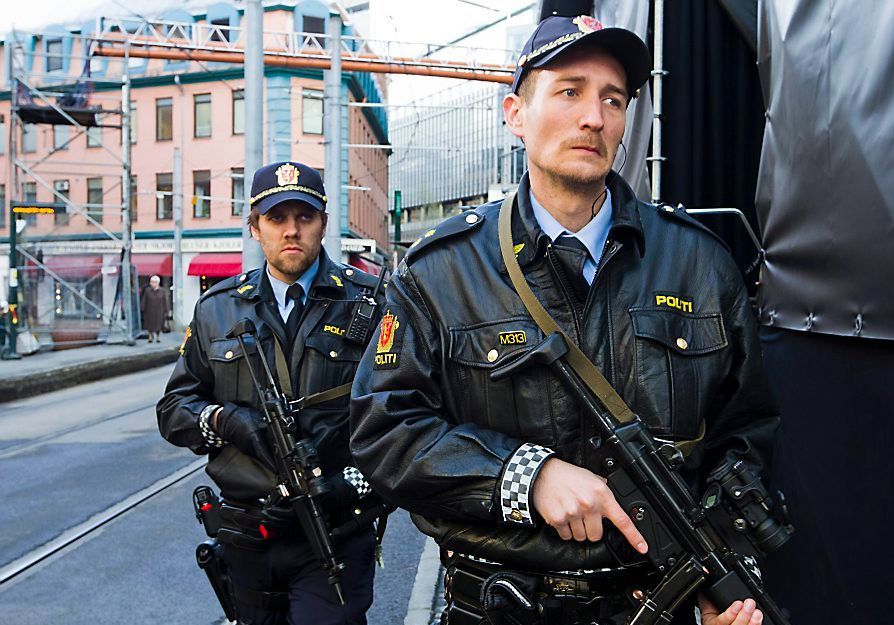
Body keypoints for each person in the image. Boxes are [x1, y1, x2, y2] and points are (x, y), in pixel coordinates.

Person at [351, 15, 780, 625]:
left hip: (655, 603)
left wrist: (722, 584)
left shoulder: (700, 263)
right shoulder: (442, 272)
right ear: (515, 114)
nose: (594, 118)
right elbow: (384, 430)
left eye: (613, 99)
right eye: (569, 91)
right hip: (500, 605)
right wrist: (524, 475)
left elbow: (747, 434)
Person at [157, 161, 384, 625]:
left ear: (323, 222)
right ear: (255, 228)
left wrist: (349, 487)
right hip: (248, 533)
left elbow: (402, 414)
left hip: (334, 527)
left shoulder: (368, 303)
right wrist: (224, 422)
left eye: (305, 217)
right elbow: (174, 410)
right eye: (277, 219)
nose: (291, 231)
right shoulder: (217, 309)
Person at [141, 274, 170, 342]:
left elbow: (165, 301)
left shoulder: (162, 291)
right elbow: (144, 299)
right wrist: (142, 308)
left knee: (159, 324)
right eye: (152, 282)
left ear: (158, 283)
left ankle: (158, 337)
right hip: (149, 310)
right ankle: (150, 336)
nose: (153, 283)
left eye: (155, 282)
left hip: (160, 310)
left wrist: (167, 310)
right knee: (149, 324)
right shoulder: (147, 290)